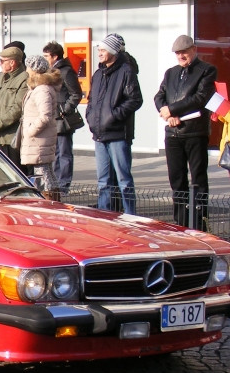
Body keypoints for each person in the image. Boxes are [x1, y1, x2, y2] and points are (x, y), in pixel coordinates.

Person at [153, 34, 218, 230]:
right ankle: (180, 224)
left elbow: (200, 98)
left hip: (195, 133)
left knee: (198, 180)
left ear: (194, 50)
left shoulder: (206, 70)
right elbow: (159, 96)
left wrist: (172, 110)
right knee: (177, 180)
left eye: (184, 52)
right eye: (177, 53)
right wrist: (167, 114)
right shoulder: (170, 73)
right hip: (173, 133)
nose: (181, 56)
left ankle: (199, 225)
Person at [86, 33, 144, 215]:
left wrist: (113, 115)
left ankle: (130, 215)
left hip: (118, 134)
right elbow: (91, 100)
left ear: (112, 51)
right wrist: (91, 117)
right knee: (103, 181)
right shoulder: (98, 74)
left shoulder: (126, 71)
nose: (99, 53)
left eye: (103, 50)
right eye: (99, 49)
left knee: (123, 180)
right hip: (99, 134)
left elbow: (135, 100)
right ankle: (105, 215)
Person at [42, 41, 84, 194]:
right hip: (53, 118)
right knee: (55, 153)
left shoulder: (66, 71)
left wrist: (64, 110)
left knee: (64, 153)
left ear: (55, 56)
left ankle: (63, 185)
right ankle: (55, 185)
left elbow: (76, 94)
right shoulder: (49, 71)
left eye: (46, 56)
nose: (45, 59)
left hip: (62, 119)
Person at [20, 55, 61, 199]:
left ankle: (50, 202)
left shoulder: (42, 89)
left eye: (28, 67)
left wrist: (30, 131)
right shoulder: (37, 88)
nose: (26, 70)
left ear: (34, 69)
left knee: (43, 174)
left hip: (39, 139)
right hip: (38, 139)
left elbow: (45, 116)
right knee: (45, 173)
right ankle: (53, 201)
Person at [0, 45, 29, 170]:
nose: (0, 64)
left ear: (12, 63)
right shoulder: (0, 77)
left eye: (2, 61)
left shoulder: (24, 79)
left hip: (12, 139)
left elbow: (17, 109)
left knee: (14, 173)